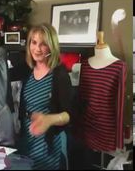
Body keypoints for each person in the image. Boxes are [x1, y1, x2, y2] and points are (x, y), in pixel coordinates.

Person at [16, 23, 72, 170]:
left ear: (51, 46)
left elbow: (69, 114)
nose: (37, 49)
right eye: (33, 42)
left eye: (43, 44)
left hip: (49, 142)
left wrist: (49, 119)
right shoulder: (27, 69)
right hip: (27, 137)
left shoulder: (59, 74)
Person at [76, 31, 127, 169]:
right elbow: (81, 97)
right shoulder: (85, 64)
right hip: (86, 127)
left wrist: (119, 139)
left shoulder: (119, 66)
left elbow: (120, 103)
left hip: (107, 129)